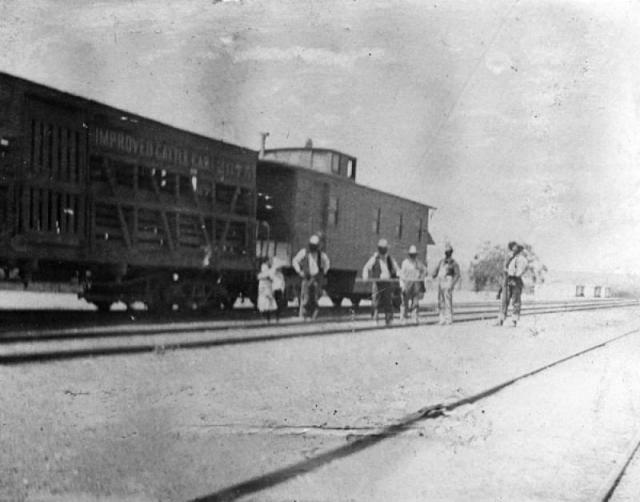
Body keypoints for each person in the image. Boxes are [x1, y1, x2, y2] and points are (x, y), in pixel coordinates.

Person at [292, 234, 330, 320]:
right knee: (305, 297)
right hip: (307, 277)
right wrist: (299, 271)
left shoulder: (321, 255)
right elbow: (295, 261)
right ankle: (303, 315)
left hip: (316, 278)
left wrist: (323, 272)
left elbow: (327, 263)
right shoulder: (304, 252)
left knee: (315, 297)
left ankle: (312, 316)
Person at [363, 238, 400, 325]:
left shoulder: (390, 259)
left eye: (384, 248)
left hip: (387, 283)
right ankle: (375, 319)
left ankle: (389, 320)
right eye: (381, 248)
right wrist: (365, 277)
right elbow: (366, 267)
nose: (383, 250)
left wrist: (400, 276)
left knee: (388, 301)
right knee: (375, 301)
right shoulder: (374, 258)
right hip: (377, 283)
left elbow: (397, 269)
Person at [497, 241, 528, 327]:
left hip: (516, 281)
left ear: (518, 249)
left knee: (516, 301)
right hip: (508, 280)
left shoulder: (522, 259)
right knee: (504, 301)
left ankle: (514, 320)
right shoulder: (509, 258)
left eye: (515, 247)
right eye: (512, 247)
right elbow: (505, 269)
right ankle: (501, 320)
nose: (513, 249)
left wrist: (512, 273)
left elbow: (519, 271)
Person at [432, 243, 461, 325]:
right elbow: (436, 271)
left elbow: (457, 274)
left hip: (448, 281)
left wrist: (452, 284)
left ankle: (449, 318)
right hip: (441, 281)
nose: (447, 254)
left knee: (448, 301)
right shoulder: (441, 261)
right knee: (440, 300)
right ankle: (442, 318)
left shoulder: (454, 263)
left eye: (449, 252)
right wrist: (433, 274)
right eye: (446, 252)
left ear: (451, 252)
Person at [399, 245, 427, 324]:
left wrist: (421, 277)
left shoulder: (418, 263)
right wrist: (402, 285)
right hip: (407, 284)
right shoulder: (405, 263)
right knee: (404, 302)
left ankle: (414, 318)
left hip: (416, 284)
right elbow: (401, 275)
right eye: (412, 254)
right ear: (409, 254)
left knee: (415, 302)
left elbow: (425, 270)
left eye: (414, 254)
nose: (413, 256)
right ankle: (403, 318)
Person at [270, 257, 287, 321]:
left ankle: (277, 316)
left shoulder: (281, 275)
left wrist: (282, 290)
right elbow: (271, 272)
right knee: (274, 303)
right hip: (274, 290)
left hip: (279, 290)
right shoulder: (273, 274)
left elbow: (283, 283)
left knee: (279, 303)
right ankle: (275, 315)